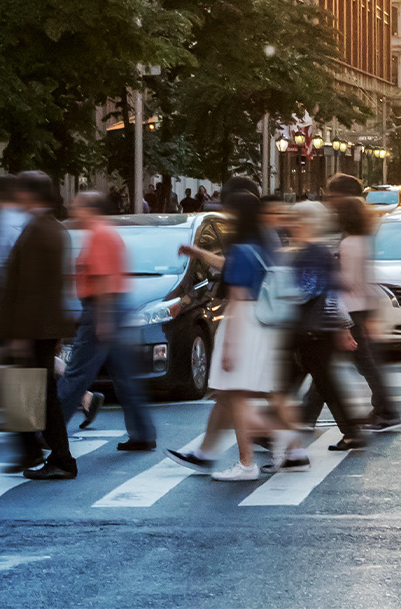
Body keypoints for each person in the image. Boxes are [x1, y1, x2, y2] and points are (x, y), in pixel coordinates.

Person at [170, 187, 302, 481]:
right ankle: (205, 453)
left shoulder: (243, 247)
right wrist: (198, 253)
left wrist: (229, 345)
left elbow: (239, 297)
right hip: (262, 325)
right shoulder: (261, 243)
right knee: (227, 395)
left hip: (244, 323)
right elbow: (231, 268)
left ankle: (247, 463)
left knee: (237, 396)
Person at [0, 171, 81, 480]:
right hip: (41, 326)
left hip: (32, 327)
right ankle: (30, 449)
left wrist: (21, 336)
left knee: (40, 394)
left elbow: (32, 288)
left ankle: (61, 458)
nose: (17, 197)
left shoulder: (40, 230)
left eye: (21, 192)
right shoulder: (52, 228)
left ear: (31, 195)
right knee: (28, 391)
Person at [53, 191, 158, 453]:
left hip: (102, 309)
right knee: (125, 378)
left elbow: (101, 279)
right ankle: (143, 433)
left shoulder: (98, 235)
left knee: (76, 375)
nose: (73, 209)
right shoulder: (107, 233)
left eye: (78, 205)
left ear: (91, 209)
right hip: (113, 310)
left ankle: (49, 432)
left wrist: (101, 319)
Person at [284, 201, 367, 453]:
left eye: (295, 221)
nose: (291, 226)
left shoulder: (314, 253)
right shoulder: (313, 252)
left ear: (307, 224)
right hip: (312, 330)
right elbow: (331, 294)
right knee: (309, 383)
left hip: (312, 332)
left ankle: (274, 430)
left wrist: (278, 293)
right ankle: (352, 432)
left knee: (294, 385)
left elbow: (309, 292)